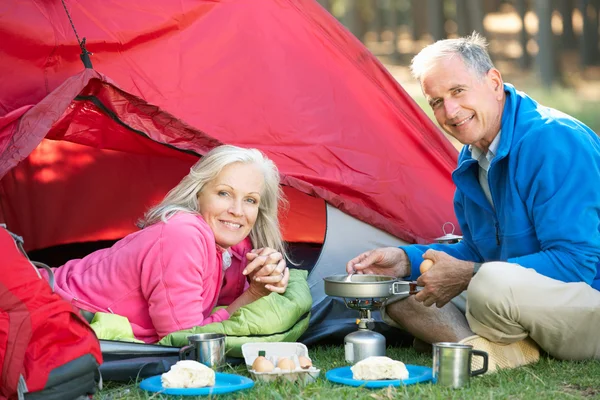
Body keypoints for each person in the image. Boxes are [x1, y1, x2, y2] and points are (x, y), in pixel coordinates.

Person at [347, 33, 600, 371]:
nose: (450, 111)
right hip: (517, 294)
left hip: (586, 298)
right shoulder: (475, 154)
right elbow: (481, 250)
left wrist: (470, 275)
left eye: (458, 91)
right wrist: (405, 260)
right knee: (398, 291)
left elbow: (578, 263)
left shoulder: (554, 141)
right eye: (436, 101)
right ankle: (484, 351)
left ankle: (473, 343)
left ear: (494, 82)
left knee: (488, 285)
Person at [41, 145, 291, 343]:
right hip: (44, 307)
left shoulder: (227, 242)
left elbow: (231, 289)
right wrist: (253, 295)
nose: (237, 211)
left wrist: (263, 272)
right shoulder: (183, 234)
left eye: (250, 200)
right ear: (198, 193)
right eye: (224, 193)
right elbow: (184, 338)